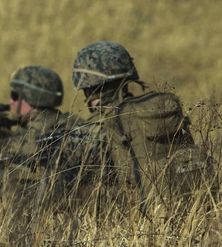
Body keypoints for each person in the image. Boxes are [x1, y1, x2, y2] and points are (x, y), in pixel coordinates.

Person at [66, 41, 207, 204]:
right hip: (195, 200)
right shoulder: (153, 109)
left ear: (89, 88)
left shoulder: (103, 125)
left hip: (143, 212)